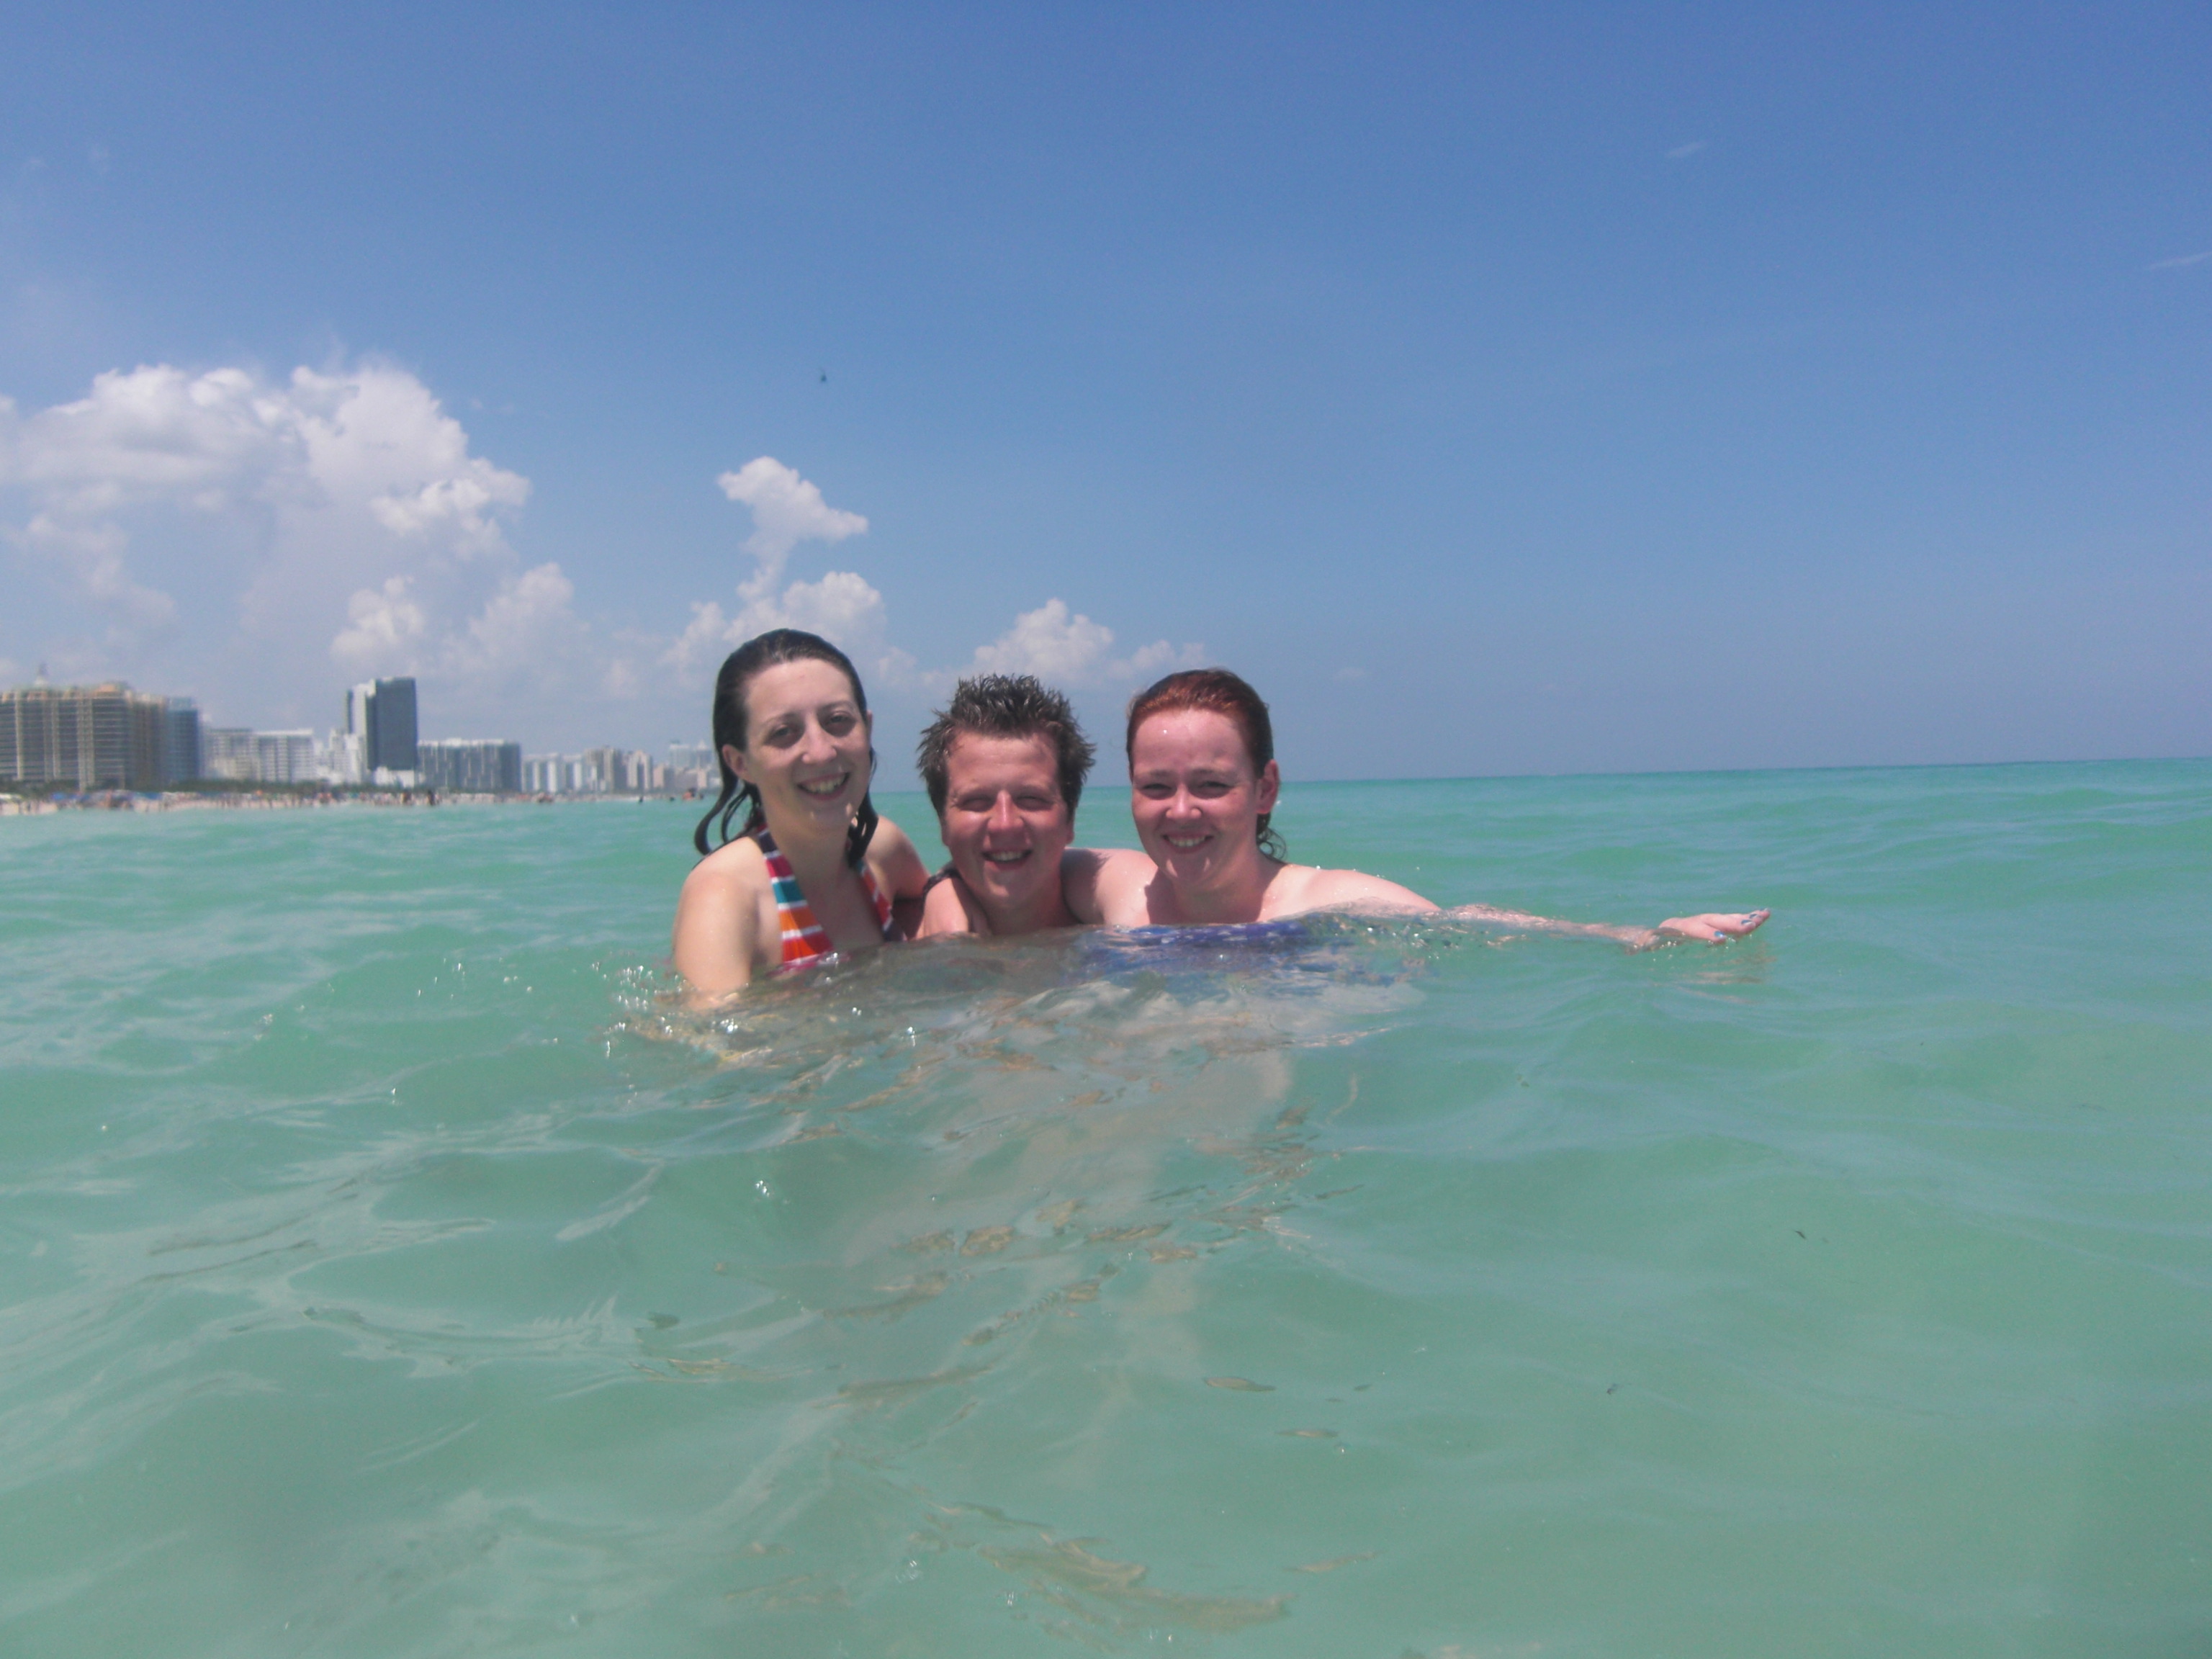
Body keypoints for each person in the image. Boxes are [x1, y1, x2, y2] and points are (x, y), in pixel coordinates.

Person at [1065, 667, 1768, 948]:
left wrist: (1637, 935)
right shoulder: (1107, 885)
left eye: (1211, 785)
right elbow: (1013, 864)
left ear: (1266, 789)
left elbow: (1470, 923)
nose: (1180, 811)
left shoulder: (1324, 902)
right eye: (1155, 787)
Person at [671, 629, 930, 996]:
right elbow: (709, 1032)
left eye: (837, 720)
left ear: (868, 729)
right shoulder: (725, 898)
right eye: (784, 732)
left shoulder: (881, 849)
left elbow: (938, 895)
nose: (821, 751)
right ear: (740, 762)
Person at [913, 675, 1097, 938]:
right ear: (943, 822)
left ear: (1070, 819)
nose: (1005, 824)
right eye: (976, 801)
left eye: (1031, 798)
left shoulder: (1124, 935)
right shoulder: (911, 952)